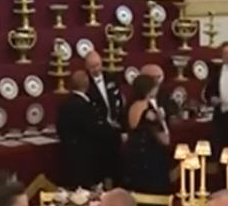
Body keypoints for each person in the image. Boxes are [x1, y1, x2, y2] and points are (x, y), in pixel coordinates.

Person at [121, 74, 172, 194]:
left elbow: (132, 127)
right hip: (149, 156)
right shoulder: (148, 110)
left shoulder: (132, 105)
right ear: (148, 89)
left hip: (134, 152)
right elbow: (157, 133)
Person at [56, 70, 105, 188]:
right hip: (85, 157)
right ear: (87, 84)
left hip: (68, 154)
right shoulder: (84, 106)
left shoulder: (65, 103)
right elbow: (93, 130)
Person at [84, 50, 124, 186]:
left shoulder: (111, 78)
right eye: (92, 67)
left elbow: (119, 101)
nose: (96, 69)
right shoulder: (86, 84)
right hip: (99, 134)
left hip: (116, 129)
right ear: (87, 67)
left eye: (98, 65)